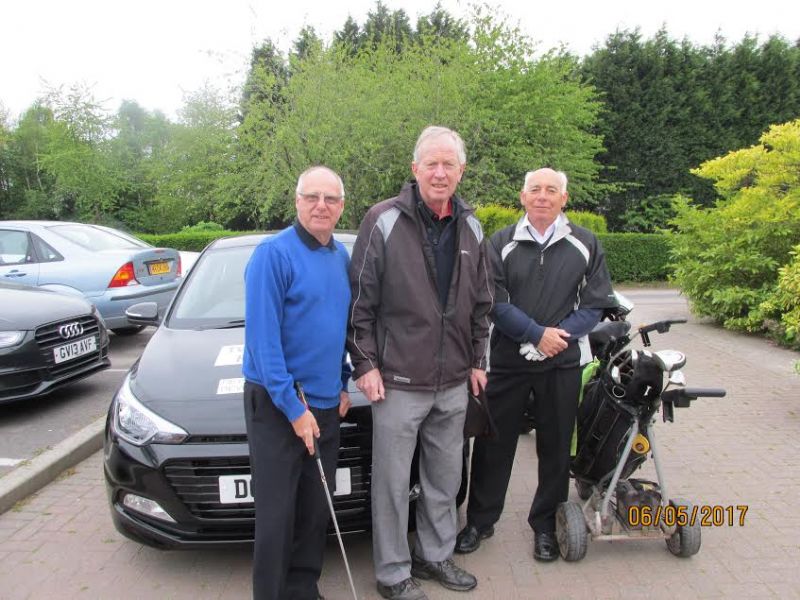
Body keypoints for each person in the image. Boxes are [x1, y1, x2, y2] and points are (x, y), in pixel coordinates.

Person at [348, 126, 493, 600]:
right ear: (414, 169)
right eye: (431, 163)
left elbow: (482, 304)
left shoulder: (472, 226)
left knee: (444, 479)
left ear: (460, 171)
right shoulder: (383, 220)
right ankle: (392, 574)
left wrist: (477, 360)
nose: (439, 172)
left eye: (448, 164)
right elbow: (359, 303)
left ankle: (434, 555)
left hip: (452, 382)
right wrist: (365, 364)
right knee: (390, 484)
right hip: (397, 382)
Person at [455, 168, 616, 561]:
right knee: (494, 444)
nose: (543, 196)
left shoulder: (586, 243)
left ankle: (545, 525)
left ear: (564, 198)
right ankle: (480, 521)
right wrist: (532, 334)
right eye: (535, 190)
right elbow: (492, 299)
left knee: (556, 446)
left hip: (561, 364)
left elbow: (595, 304)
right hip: (509, 362)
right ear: (523, 197)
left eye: (551, 190)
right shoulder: (501, 242)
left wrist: (554, 338)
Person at [242, 166, 351, 600]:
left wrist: (342, 382)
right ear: (297, 202)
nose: (321, 206)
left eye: (330, 199)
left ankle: (302, 589)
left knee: (313, 509)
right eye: (312, 197)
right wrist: (294, 410)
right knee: (277, 513)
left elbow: (341, 329)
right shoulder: (272, 255)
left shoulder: (341, 256)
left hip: (324, 402)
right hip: (278, 404)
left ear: (342, 206)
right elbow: (264, 346)